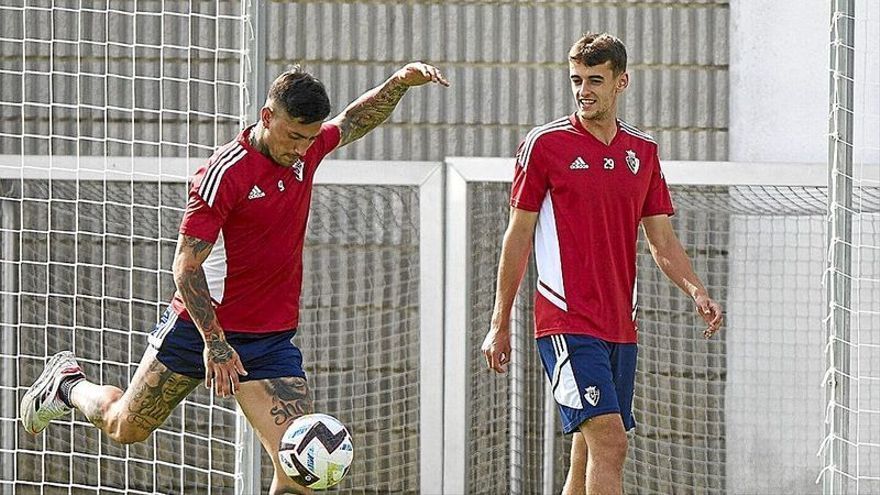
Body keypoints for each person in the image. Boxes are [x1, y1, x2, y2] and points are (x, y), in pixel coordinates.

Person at [21, 62, 449, 494]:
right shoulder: (224, 173)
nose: (303, 149)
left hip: (270, 340)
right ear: (268, 117)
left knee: (301, 475)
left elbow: (354, 120)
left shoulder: (307, 150)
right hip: (200, 330)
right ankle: (68, 384)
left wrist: (398, 83)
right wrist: (216, 344)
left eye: (310, 138)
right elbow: (185, 267)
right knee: (124, 427)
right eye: (295, 137)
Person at [480, 33, 723, 495]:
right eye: (576, 80)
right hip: (565, 321)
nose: (583, 90)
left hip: (620, 325)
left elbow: (662, 240)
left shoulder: (643, 152)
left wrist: (696, 290)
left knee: (588, 454)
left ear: (621, 82)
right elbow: (518, 235)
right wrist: (500, 321)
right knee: (610, 443)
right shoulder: (545, 145)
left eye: (595, 79)